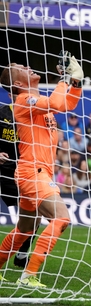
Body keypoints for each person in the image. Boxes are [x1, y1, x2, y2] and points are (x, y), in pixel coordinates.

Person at [0, 52, 84, 288]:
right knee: (62, 218)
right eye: (21, 67)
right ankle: (29, 275)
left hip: (36, 172)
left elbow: (66, 104)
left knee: (25, 229)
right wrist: (64, 79)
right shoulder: (23, 100)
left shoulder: (39, 105)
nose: (28, 66)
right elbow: (58, 102)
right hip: (32, 172)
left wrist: (75, 82)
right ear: (17, 83)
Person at [0, 101, 34, 268]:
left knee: (33, 216)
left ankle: (21, 255)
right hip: (2, 171)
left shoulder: (32, 115)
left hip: (22, 173)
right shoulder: (2, 113)